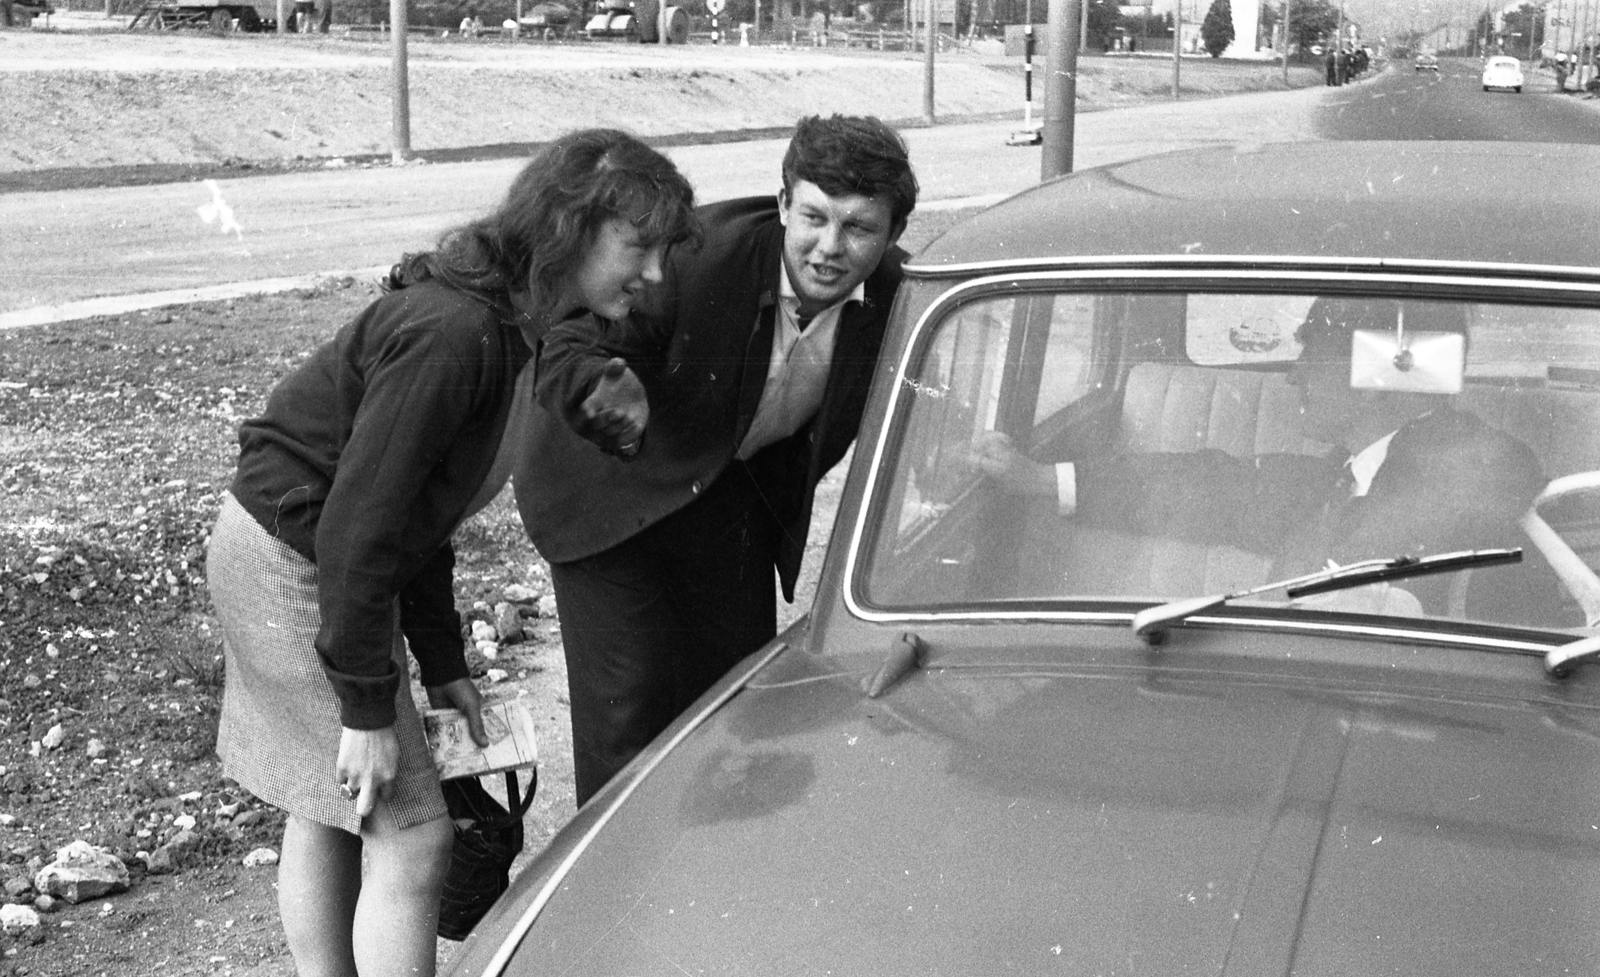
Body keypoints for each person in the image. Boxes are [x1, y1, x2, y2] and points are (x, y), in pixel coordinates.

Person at [205, 129, 697, 977]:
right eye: (639, 245)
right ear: (569, 229)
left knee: (329, 804)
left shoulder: (515, 325)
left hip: (306, 554)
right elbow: (363, 522)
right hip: (294, 564)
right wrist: (366, 706)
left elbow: (415, 516)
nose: (654, 272)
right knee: (412, 830)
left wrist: (439, 663)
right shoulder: (456, 331)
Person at [515, 114, 918, 805]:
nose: (830, 247)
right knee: (628, 722)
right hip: (609, 495)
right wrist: (604, 392)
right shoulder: (692, 257)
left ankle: (711, 881)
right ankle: (616, 893)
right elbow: (569, 341)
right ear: (784, 203)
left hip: (728, 500)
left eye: (859, 228)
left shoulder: (898, 296)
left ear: (891, 236)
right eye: (814, 217)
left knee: (737, 707)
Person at [969, 297, 1546, 617]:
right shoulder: (1342, 475)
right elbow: (1212, 485)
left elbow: (1504, 471)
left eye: (1311, 358)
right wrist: (1041, 480)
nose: (1293, 377)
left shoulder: (1468, 461)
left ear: (1372, 374)